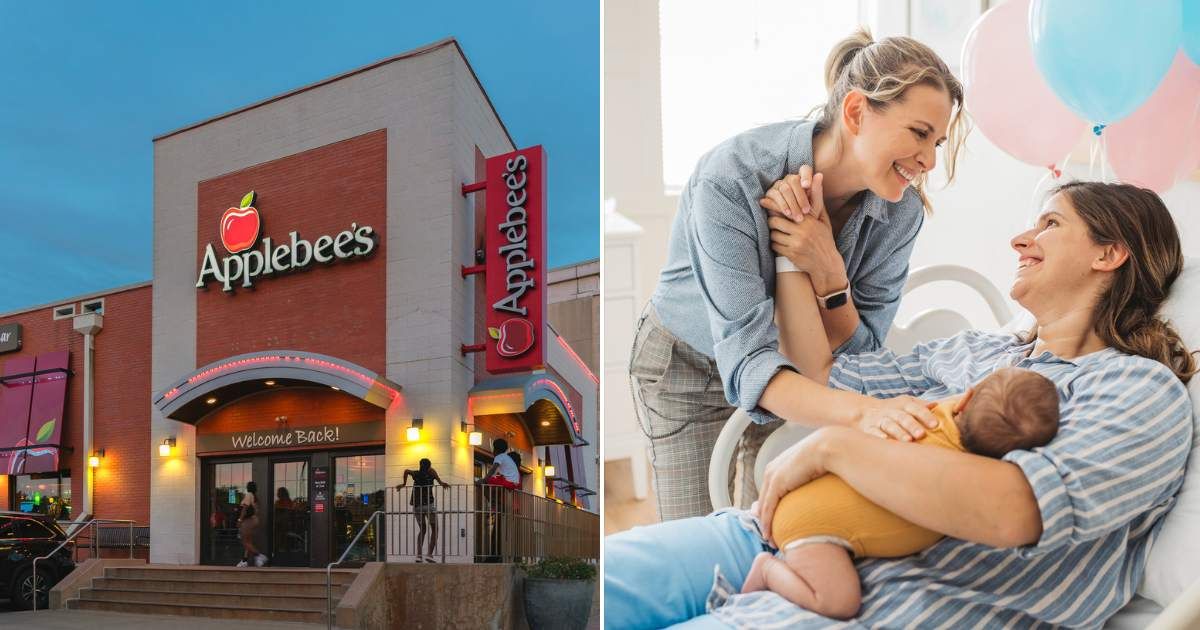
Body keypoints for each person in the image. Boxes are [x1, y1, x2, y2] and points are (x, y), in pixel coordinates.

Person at [604, 181, 1196, 628]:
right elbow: (824, 376)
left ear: (1108, 254)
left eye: (1050, 224)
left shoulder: (1138, 389)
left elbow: (1012, 509)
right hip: (769, 532)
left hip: (879, 602)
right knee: (591, 582)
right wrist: (802, 257)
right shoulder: (977, 350)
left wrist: (834, 449)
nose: (1020, 240)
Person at [631, 27, 969, 521]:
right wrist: (866, 412)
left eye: (938, 141)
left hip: (797, 373)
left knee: (770, 527)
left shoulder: (902, 213)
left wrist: (829, 270)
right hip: (686, 369)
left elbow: (862, 359)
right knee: (698, 535)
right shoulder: (731, 177)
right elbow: (750, 363)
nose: (930, 160)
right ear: (856, 112)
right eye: (919, 133)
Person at [742, 367, 1059, 618]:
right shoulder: (972, 475)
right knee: (838, 603)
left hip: (802, 494)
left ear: (964, 400)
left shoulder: (930, 414)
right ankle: (767, 570)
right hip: (810, 527)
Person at [396, 458, 450, 563]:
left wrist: (404, 484)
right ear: (429, 467)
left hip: (417, 507)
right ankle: (429, 554)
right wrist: (441, 482)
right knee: (435, 529)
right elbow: (439, 481)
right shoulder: (431, 474)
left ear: (420, 465)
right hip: (429, 506)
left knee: (423, 529)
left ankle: (419, 556)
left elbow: (406, 471)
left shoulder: (416, 474)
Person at [237, 480, 267, 568]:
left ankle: (259, 556)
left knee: (244, 541)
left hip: (248, 521)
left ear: (248, 488)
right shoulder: (255, 497)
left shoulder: (249, 495)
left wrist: (239, 520)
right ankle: (244, 560)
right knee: (249, 541)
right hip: (255, 520)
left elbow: (244, 509)